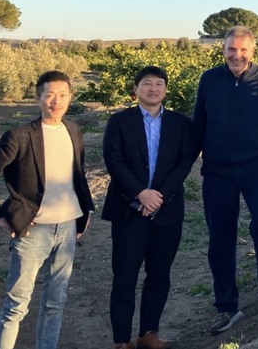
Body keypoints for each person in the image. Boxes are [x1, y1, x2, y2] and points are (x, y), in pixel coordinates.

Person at [0, 70, 94, 349]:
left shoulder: (74, 131)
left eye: (63, 95)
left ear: (70, 97)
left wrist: (85, 210)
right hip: (32, 230)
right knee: (16, 305)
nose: (56, 101)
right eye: (50, 95)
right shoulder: (19, 136)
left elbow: (78, 174)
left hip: (67, 228)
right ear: (39, 98)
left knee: (55, 302)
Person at [191, 25, 258, 336]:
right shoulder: (209, 79)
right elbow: (199, 123)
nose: (236, 55)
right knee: (220, 239)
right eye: (231, 49)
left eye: (242, 50)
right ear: (223, 49)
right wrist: (181, 165)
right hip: (218, 173)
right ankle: (227, 306)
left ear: (252, 51)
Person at [102, 65, 198, 349]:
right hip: (129, 209)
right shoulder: (119, 121)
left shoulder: (181, 124)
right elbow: (113, 161)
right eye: (147, 83)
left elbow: (185, 162)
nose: (153, 88)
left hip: (166, 210)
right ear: (136, 90)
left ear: (166, 90)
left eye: (159, 84)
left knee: (159, 274)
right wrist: (140, 193)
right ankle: (122, 341)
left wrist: (159, 196)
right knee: (125, 275)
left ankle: (148, 334)